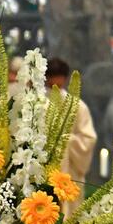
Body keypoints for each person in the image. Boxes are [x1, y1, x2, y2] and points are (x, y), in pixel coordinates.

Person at [44, 57, 98, 215]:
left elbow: (88, 139)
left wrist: (64, 140)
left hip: (69, 172)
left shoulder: (77, 106)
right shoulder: (37, 103)